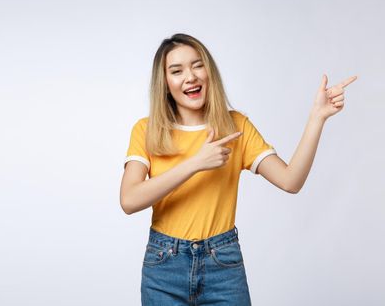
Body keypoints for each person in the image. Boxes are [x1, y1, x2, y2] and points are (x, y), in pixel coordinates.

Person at [120, 33, 357, 305]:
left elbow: (291, 181)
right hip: (164, 266)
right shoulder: (147, 130)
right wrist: (196, 163)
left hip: (222, 263)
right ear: (165, 84)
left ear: (210, 71)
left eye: (198, 65)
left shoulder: (236, 126)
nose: (190, 76)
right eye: (177, 71)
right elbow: (129, 200)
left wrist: (317, 118)